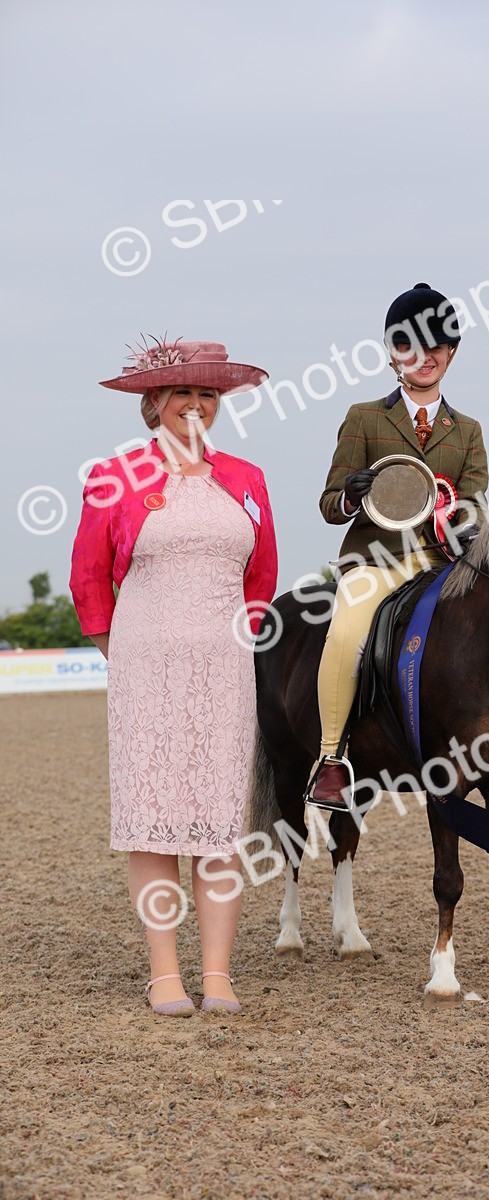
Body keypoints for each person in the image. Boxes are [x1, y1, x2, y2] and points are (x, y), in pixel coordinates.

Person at [70, 336, 277, 1017]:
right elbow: (90, 575)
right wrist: (117, 649)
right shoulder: (114, 476)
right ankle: (166, 974)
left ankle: (216, 975)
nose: (196, 405)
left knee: (219, 819)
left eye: (208, 394)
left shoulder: (247, 478)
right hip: (146, 665)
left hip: (225, 668)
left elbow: (262, 574)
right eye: (183, 392)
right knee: (154, 819)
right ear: (153, 401)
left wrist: (239, 634)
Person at [309, 283, 489, 811]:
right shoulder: (364, 418)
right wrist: (352, 494)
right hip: (377, 559)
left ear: (451, 353)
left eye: (435, 347)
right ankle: (332, 758)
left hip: (445, 561)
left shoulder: (467, 430)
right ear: (391, 353)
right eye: (409, 347)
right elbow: (328, 503)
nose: (423, 358)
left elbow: (473, 503)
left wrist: (461, 522)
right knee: (349, 625)